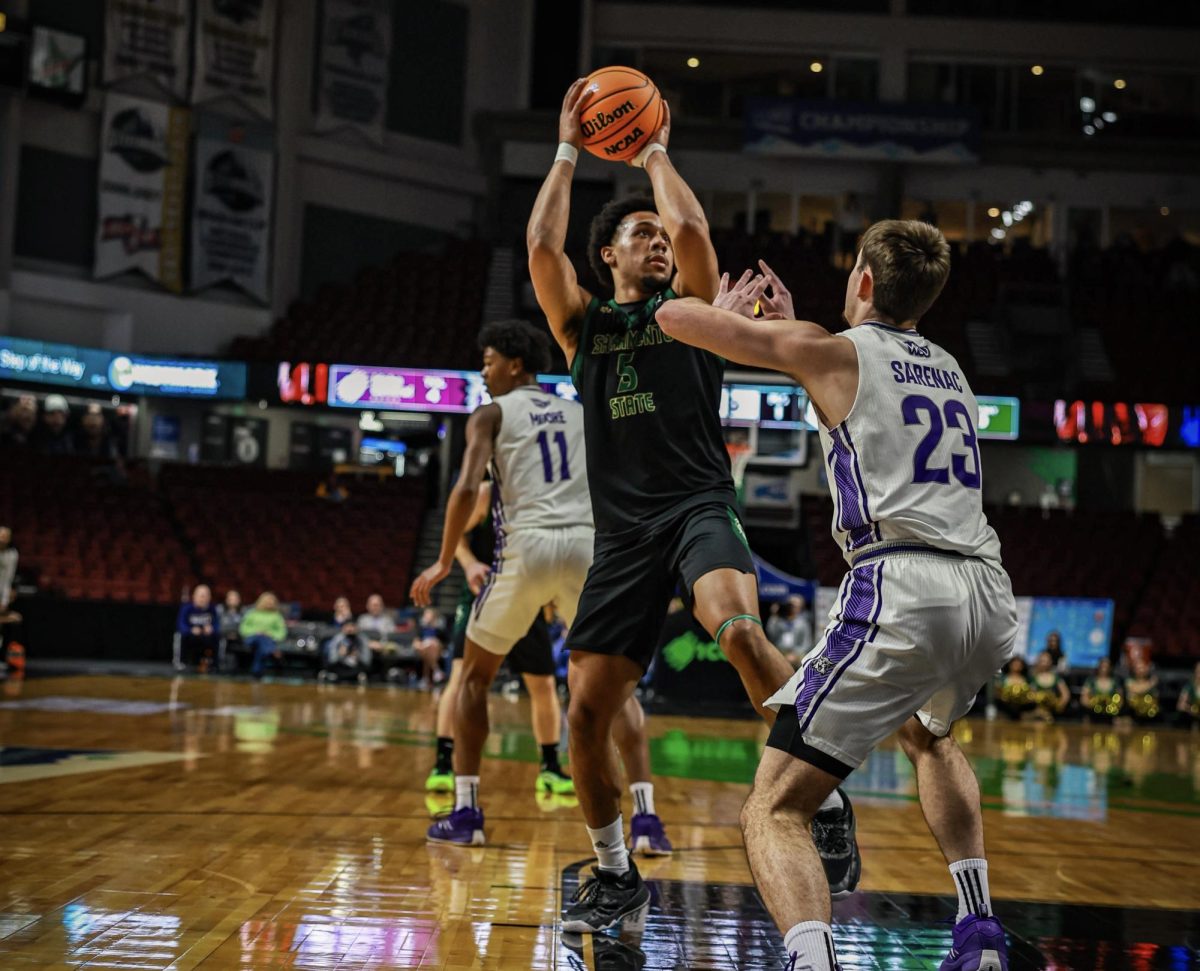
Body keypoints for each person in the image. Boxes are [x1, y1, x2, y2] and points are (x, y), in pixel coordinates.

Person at [655, 218, 1019, 970]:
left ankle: (810, 960)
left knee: (774, 805)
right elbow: (849, 384)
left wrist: (724, 308)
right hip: (985, 590)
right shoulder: (949, 366)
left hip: (902, 582)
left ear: (861, 281)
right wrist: (791, 334)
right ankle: (979, 928)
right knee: (930, 736)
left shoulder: (835, 348)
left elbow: (673, 317)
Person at [526, 79, 796, 932]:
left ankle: (818, 796)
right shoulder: (586, 328)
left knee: (740, 631)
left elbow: (692, 229)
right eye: (636, 235)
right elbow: (540, 243)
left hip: (697, 508)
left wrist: (650, 150)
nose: (655, 243)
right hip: (622, 538)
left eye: (656, 236)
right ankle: (615, 874)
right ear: (608, 256)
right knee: (585, 715)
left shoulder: (696, 315)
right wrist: (569, 148)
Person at [412, 319, 655, 854]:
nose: (484, 369)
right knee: (614, 691)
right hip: (589, 551)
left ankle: (468, 811)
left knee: (473, 679)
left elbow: (463, 489)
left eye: (490, 359)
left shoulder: (492, 414)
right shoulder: (583, 412)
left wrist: (440, 561)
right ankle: (648, 820)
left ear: (516, 365)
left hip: (528, 549)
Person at [239, 592, 288, 679]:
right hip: (252, 638)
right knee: (261, 639)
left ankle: (256, 672)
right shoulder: (252, 613)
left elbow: (282, 633)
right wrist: (256, 632)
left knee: (262, 643)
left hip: (267, 639)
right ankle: (272, 650)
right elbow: (243, 628)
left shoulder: (277, 616)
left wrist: (270, 634)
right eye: (268, 601)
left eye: (272, 602)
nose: (270, 604)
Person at [176, 584, 219, 673]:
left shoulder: (213, 609)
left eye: (205, 596)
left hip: (207, 637)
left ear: (209, 597)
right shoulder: (186, 608)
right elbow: (181, 625)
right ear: (194, 596)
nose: (202, 598)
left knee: (216, 637)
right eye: (200, 595)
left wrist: (212, 629)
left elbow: (217, 625)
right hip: (190, 637)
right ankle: (181, 662)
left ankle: (214, 664)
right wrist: (191, 630)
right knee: (180, 636)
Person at [766, 595, 815, 667]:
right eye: (791, 605)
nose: (793, 608)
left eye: (797, 606)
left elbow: (806, 643)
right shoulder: (778, 621)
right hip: (780, 652)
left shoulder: (803, 623)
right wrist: (774, 615)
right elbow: (771, 635)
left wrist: (795, 654)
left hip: (797, 655)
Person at [1029, 650, 1070, 720]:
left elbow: (1066, 695)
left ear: (1050, 662)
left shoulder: (1056, 677)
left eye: (1047, 661)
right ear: (1038, 662)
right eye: (1042, 661)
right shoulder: (1033, 678)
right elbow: (1030, 694)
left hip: (1054, 712)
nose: (1044, 664)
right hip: (1038, 711)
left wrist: (1059, 705)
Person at [413, 607, 447, 688]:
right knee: (426, 648)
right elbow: (416, 641)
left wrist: (434, 642)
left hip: (436, 649)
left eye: (428, 615)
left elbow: (444, 642)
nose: (426, 616)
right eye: (425, 615)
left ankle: (425, 678)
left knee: (432, 646)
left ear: (434, 617)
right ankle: (437, 671)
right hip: (424, 648)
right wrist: (418, 644)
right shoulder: (421, 629)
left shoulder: (439, 629)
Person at [1081, 657, 1123, 721]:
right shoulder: (1091, 681)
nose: (1104, 669)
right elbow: (1083, 698)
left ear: (1110, 668)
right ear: (1098, 667)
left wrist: (1113, 706)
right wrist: (1092, 704)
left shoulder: (1115, 682)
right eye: (1102, 667)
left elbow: (1120, 699)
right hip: (1093, 715)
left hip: (1110, 715)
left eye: (1107, 667)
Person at [1125, 657, 1160, 722]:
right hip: (1134, 715)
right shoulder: (1129, 681)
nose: (1141, 670)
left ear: (1147, 669)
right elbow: (1136, 690)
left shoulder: (1151, 680)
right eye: (1138, 668)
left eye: (1143, 668)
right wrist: (1150, 684)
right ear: (1134, 670)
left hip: (1151, 715)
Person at [216, 589, 244, 665]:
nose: (233, 601)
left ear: (239, 600)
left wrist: (236, 634)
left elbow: (244, 627)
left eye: (235, 599)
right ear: (226, 600)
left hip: (238, 637)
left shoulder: (243, 612)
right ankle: (220, 664)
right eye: (230, 599)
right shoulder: (220, 610)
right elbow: (218, 624)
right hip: (222, 636)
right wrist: (226, 633)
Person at [1176, 661, 1200, 729]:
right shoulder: (1189, 686)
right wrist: (1192, 710)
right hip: (1191, 719)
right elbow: (1180, 705)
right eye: (1198, 671)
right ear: (1195, 671)